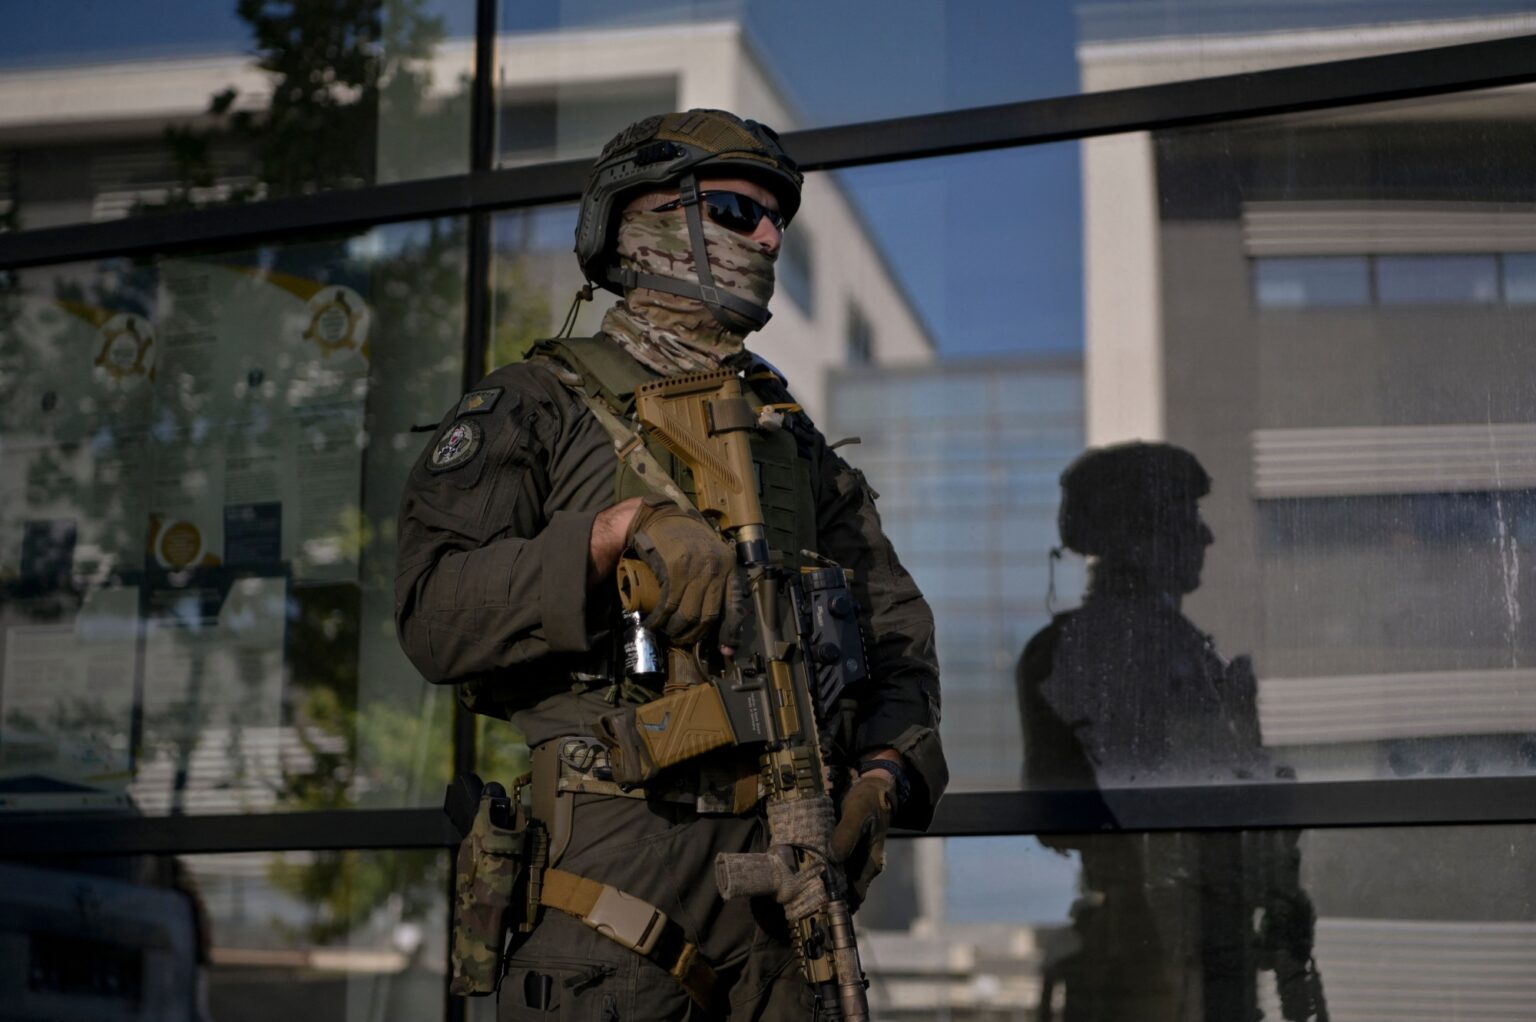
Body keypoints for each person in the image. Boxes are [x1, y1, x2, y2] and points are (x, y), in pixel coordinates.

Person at [396, 109, 946, 1020]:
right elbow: (433, 614)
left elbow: (897, 637)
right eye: (736, 211)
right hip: (613, 885)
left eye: (777, 219)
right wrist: (612, 534)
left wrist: (882, 779)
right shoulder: (536, 403)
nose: (768, 237)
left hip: (789, 885)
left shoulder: (789, 439)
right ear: (643, 218)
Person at [1018, 442, 1326, 1022]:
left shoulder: (1099, 645)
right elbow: (1126, 804)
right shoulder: (1125, 648)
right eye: (1187, 520)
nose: (1205, 537)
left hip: (1178, 948)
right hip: (1165, 957)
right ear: (1141, 537)